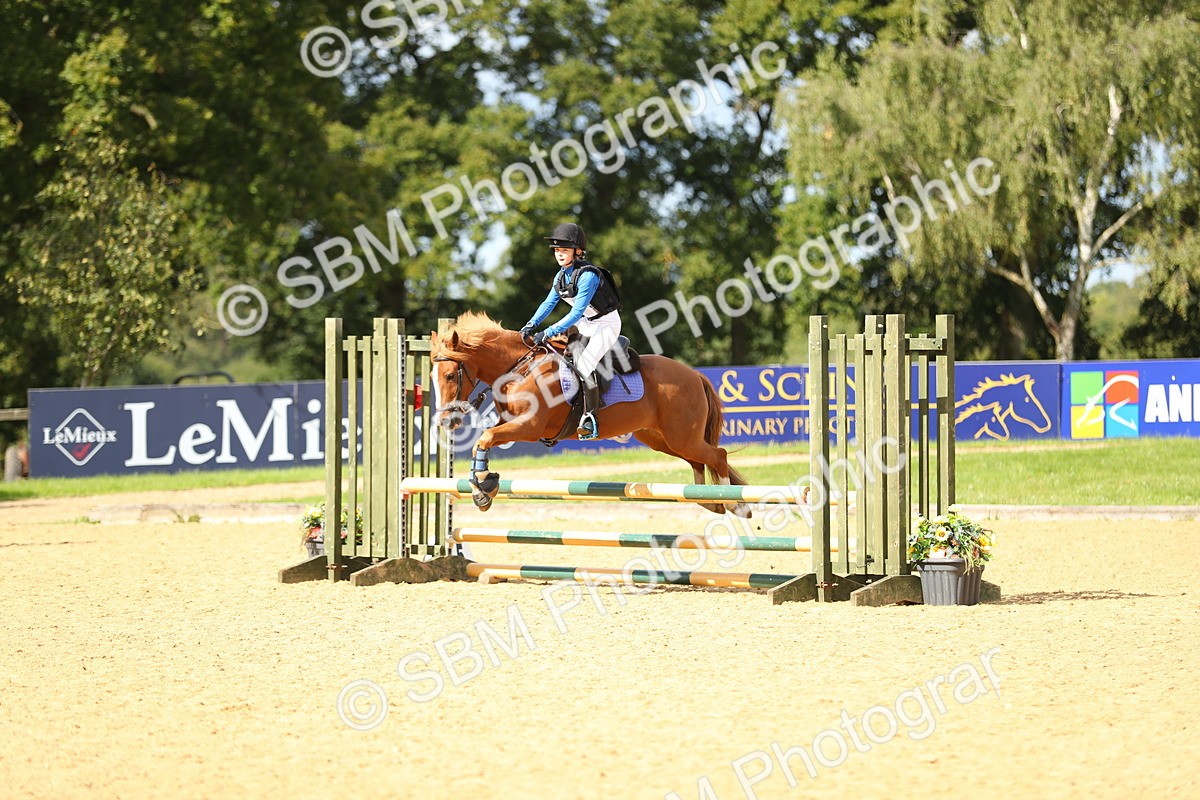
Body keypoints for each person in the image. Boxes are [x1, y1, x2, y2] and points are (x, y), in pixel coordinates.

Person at [521, 222, 622, 440]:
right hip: (587, 323)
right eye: (557, 250)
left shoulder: (588, 276)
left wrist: (547, 331)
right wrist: (530, 324)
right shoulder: (561, 277)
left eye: (564, 250)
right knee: (561, 358)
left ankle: (591, 419)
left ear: (577, 251)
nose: (559, 254)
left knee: (585, 364)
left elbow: (575, 314)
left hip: (606, 323)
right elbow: (548, 304)